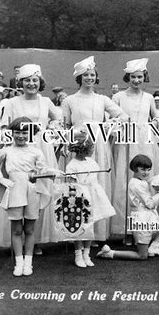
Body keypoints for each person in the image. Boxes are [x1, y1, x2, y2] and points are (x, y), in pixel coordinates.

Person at [61, 56, 127, 241]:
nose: (89, 78)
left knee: (97, 185)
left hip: (98, 145)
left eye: (92, 75)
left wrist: (107, 126)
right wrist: (73, 135)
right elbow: (64, 125)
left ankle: (97, 234)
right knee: (79, 186)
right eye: (85, 75)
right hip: (78, 146)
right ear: (79, 78)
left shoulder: (102, 99)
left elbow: (122, 116)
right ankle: (78, 232)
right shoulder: (70, 101)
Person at [0, 117, 61, 276]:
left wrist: (52, 172)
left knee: (29, 229)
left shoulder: (36, 151)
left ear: (31, 133)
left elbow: (42, 170)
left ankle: (28, 263)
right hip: (14, 191)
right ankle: (18, 264)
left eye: (24, 132)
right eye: (17, 132)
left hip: (31, 191)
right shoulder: (6, 151)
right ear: (12, 133)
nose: (21, 136)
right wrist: (1, 179)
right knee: (16, 230)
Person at [1, 64, 63, 248]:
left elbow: (59, 119)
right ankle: (18, 240)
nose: (31, 84)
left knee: (39, 193)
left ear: (40, 82)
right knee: (20, 193)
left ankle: (34, 240)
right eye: (27, 80)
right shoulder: (12, 103)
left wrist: (53, 129)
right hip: (20, 152)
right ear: (21, 82)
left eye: (35, 80)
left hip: (42, 151)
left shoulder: (45, 102)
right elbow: (4, 126)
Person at [111, 58, 159, 236]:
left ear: (144, 77)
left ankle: (147, 225)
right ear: (128, 77)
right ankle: (124, 226)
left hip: (145, 140)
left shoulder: (148, 97)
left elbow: (156, 118)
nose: (136, 80)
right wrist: (119, 125)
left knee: (146, 178)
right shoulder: (118, 97)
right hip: (126, 140)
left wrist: (158, 122)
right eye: (133, 77)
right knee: (125, 180)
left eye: (140, 77)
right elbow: (110, 119)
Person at [97, 154, 159, 260]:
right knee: (142, 256)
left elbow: (150, 199)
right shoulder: (135, 184)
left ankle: (154, 246)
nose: (146, 172)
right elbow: (150, 204)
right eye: (142, 169)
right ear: (134, 168)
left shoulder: (141, 182)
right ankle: (110, 253)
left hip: (149, 217)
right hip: (141, 220)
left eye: (148, 169)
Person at [65, 135, 116, 267]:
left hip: (93, 195)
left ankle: (86, 253)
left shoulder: (92, 162)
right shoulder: (72, 165)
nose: (93, 149)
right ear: (83, 149)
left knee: (90, 224)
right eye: (91, 147)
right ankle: (78, 254)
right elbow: (72, 185)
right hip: (80, 196)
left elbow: (94, 179)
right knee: (79, 226)